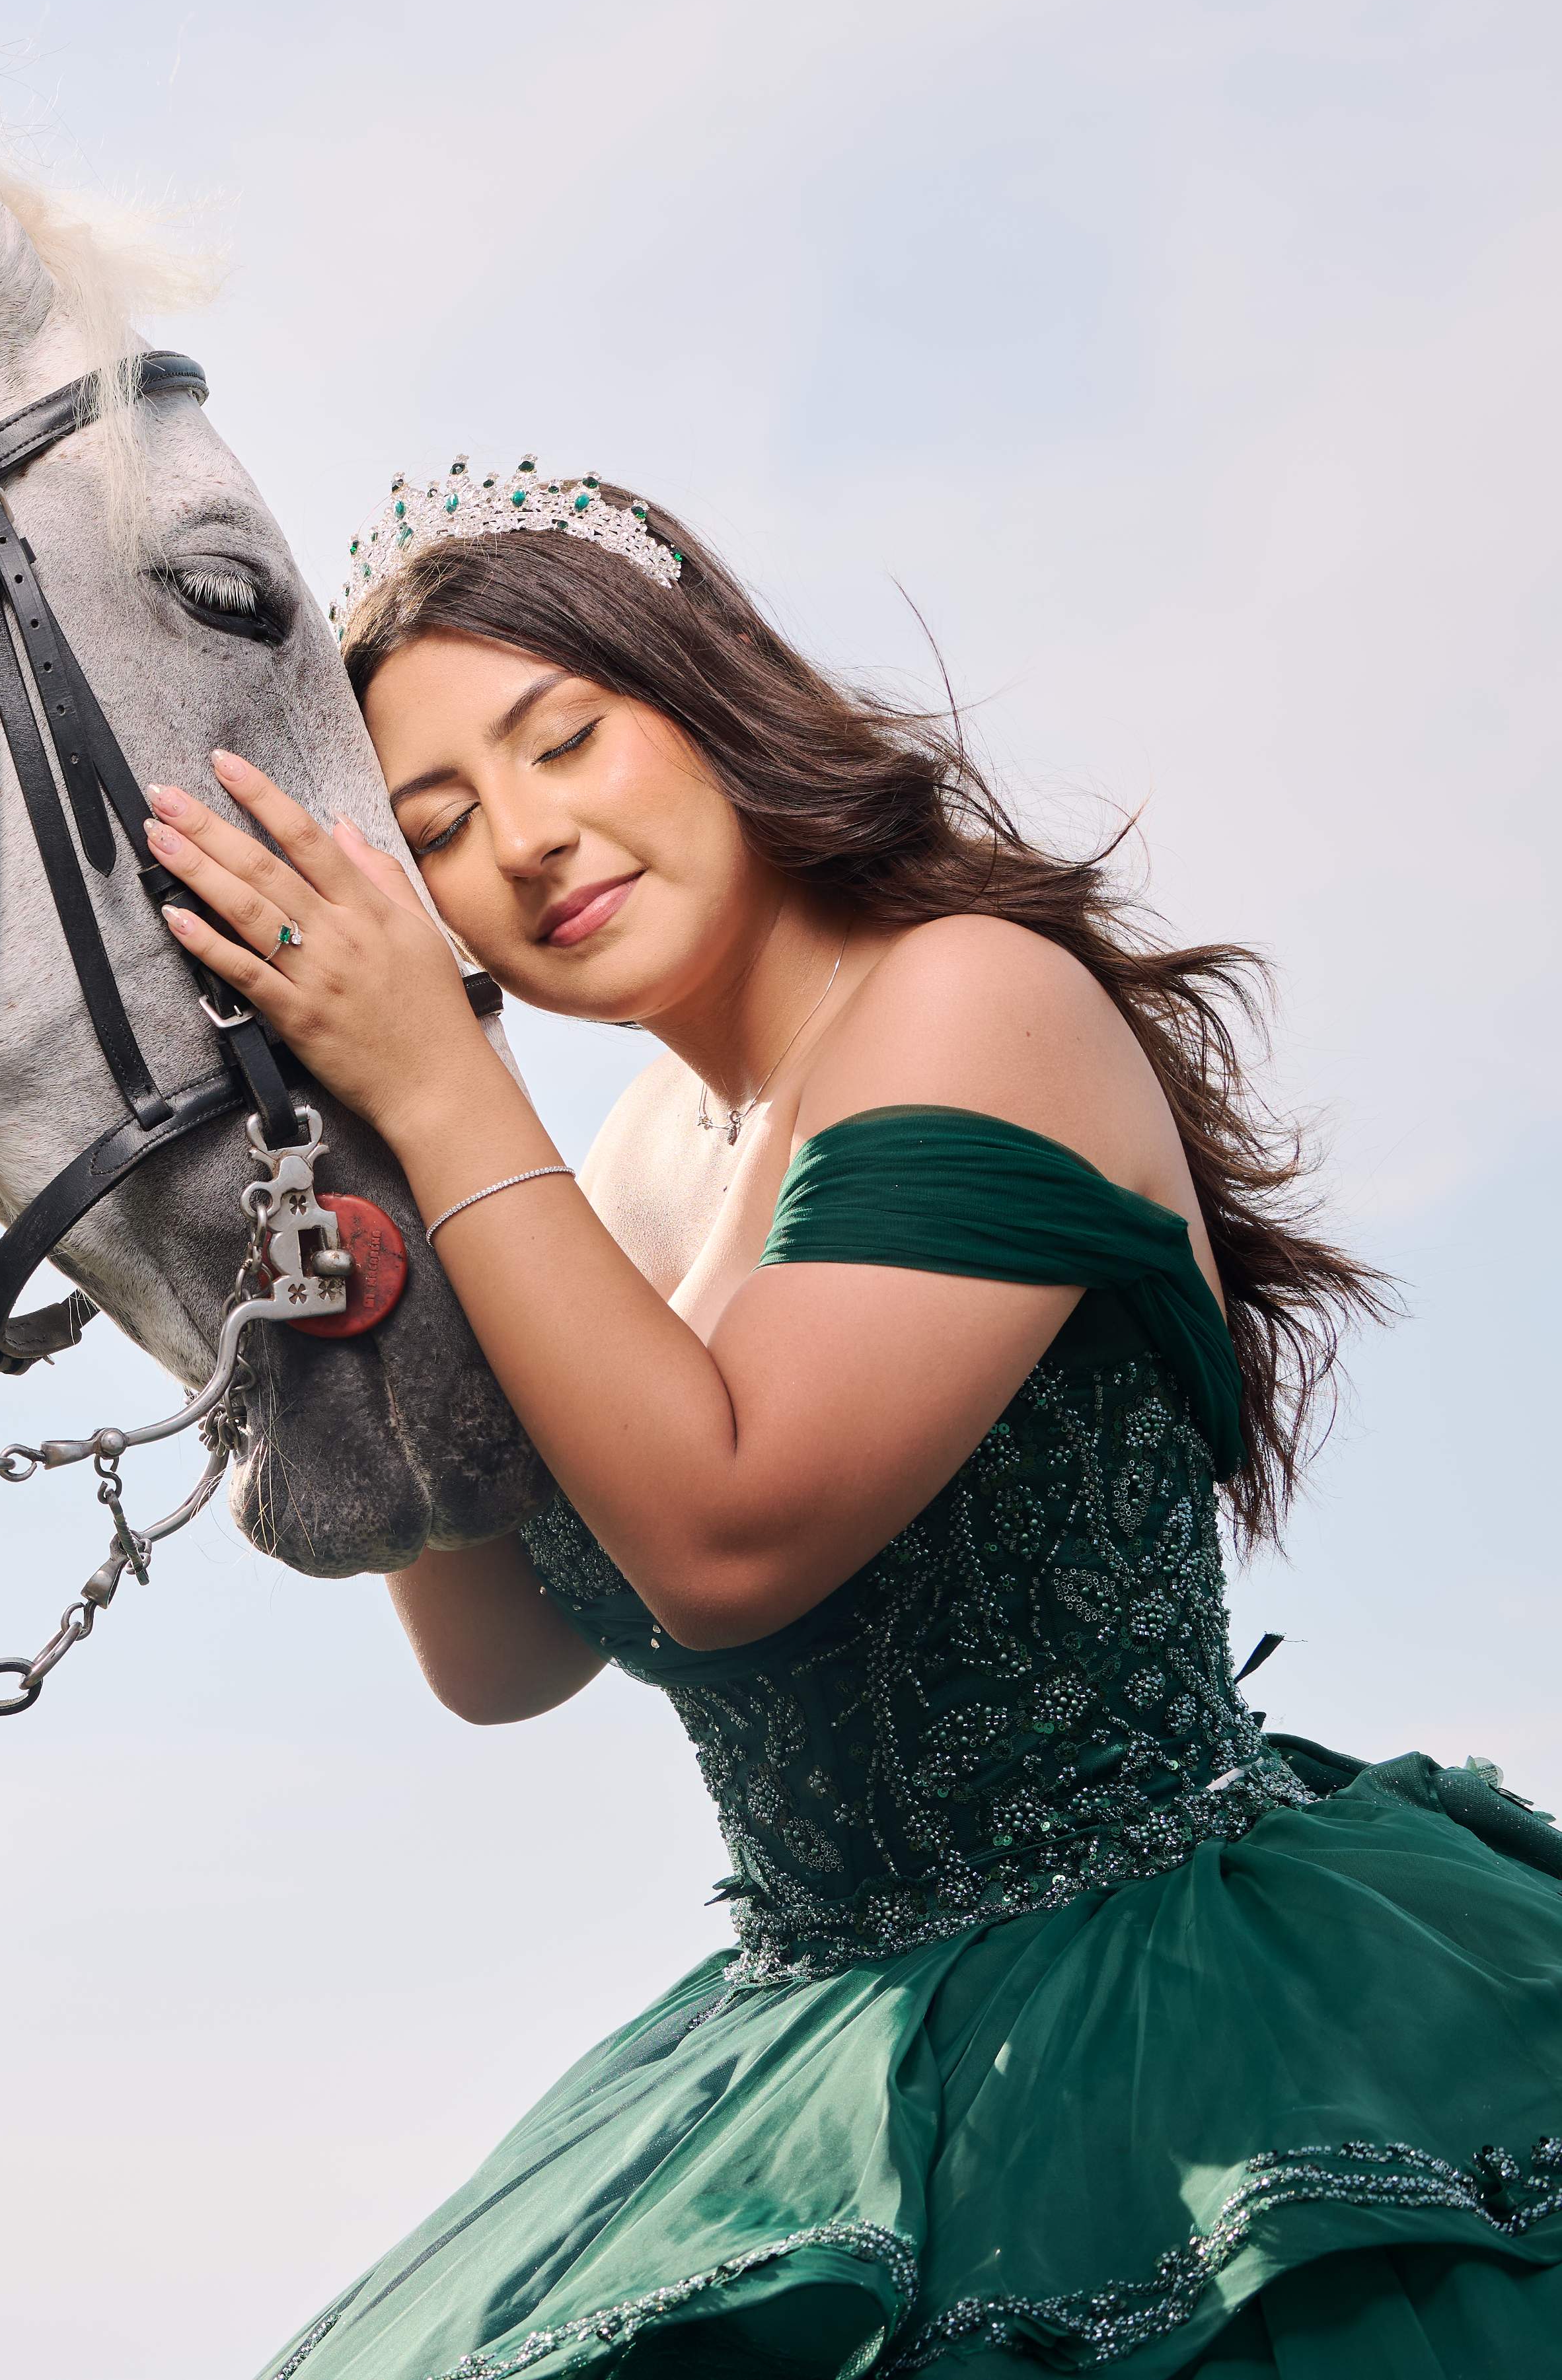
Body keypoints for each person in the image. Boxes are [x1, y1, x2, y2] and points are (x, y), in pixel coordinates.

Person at [142, 462, 1562, 2377]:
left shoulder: (975, 998)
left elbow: (727, 1538)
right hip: (818, 2052)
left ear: (714, 692)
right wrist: (343, 1161)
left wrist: (448, 1078)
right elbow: (494, 1648)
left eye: (566, 737)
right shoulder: (628, 1163)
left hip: (1184, 2025)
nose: (533, 839)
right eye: (442, 825)